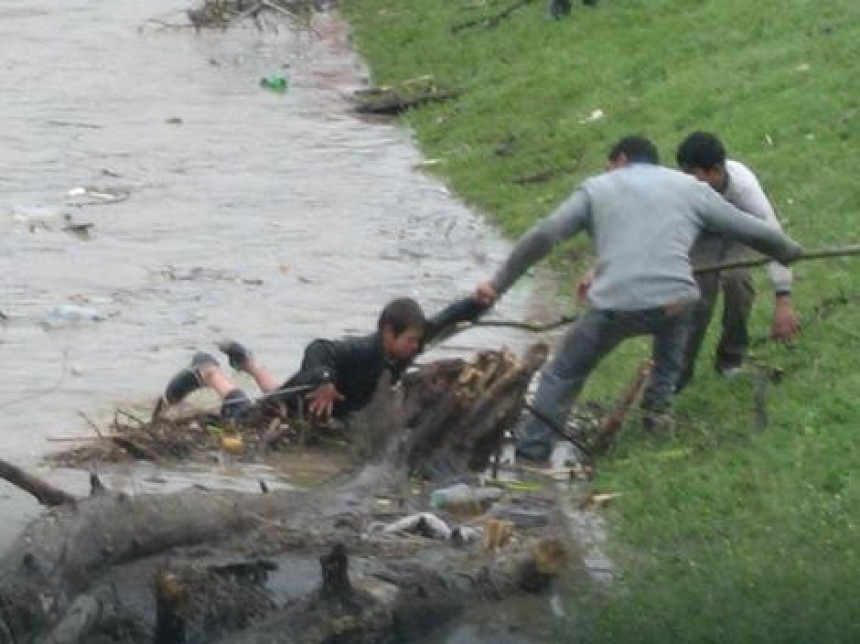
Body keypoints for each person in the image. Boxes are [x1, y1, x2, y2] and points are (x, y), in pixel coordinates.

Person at [474, 135, 803, 463]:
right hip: (675, 302)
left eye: (609, 165)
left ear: (620, 161)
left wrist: (497, 285)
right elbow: (752, 229)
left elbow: (545, 235)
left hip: (615, 305)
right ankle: (655, 425)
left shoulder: (596, 188)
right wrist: (788, 251)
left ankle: (532, 455)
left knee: (563, 373)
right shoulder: (690, 188)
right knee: (666, 368)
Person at [159, 295, 487, 424]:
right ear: (388, 333)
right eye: (412, 341)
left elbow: (444, 319)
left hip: (306, 396)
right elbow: (318, 348)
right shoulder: (364, 349)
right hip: (291, 406)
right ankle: (209, 370)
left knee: (284, 388)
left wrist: (477, 301)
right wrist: (326, 381)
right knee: (245, 415)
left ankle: (248, 362)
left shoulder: (406, 344)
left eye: (418, 341)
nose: (417, 349)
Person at [675, 131, 799, 390]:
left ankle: (731, 358)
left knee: (737, 280)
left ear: (716, 170)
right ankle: (679, 371)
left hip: (741, 233)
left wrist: (783, 298)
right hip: (702, 236)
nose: (690, 184)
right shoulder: (683, 190)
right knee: (696, 295)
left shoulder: (744, 188)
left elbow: (774, 239)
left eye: (696, 177)